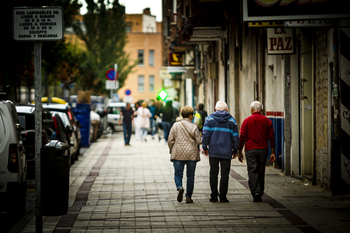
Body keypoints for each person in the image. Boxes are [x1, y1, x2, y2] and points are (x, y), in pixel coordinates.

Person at [238, 101, 275, 202]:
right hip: (263, 149)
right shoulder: (267, 121)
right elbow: (271, 136)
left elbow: (242, 137)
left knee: (252, 170)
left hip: (250, 150)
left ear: (251, 110)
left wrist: (239, 151)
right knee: (261, 170)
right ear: (262, 110)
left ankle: (256, 192)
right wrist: (273, 152)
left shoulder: (246, 121)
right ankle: (260, 191)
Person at [202, 101, 239, 203]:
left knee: (213, 172)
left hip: (213, 151)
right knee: (225, 174)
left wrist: (204, 147)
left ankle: (214, 195)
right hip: (226, 151)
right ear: (226, 109)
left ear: (215, 109)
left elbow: (205, 134)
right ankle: (223, 197)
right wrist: (235, 150)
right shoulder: (231, 121)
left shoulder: (209, 119)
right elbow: (235, 137)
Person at [168, 106, 202, 203]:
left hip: (178, 153)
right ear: (191, 115)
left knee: (178, 174)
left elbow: (170, 140)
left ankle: (179, 187)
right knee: (190, 176)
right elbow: (199, 141)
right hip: (191, 154)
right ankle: (188, 197)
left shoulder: (175, 125)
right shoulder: (194, 126)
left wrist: (171, 150)